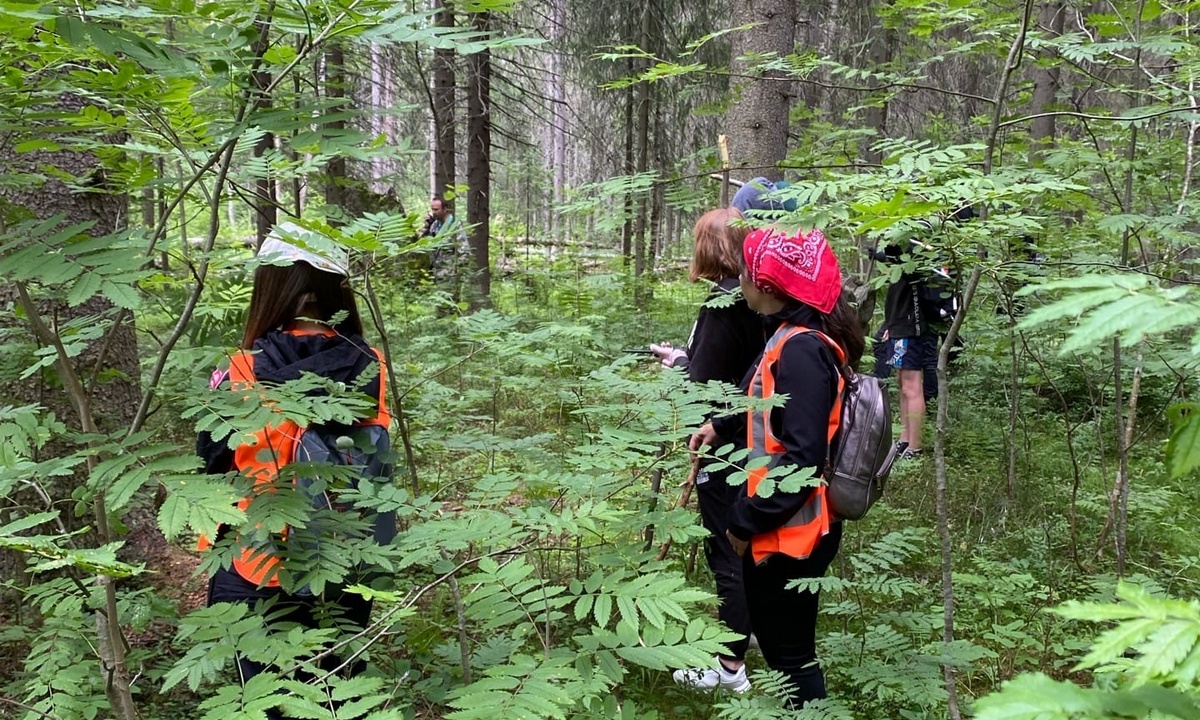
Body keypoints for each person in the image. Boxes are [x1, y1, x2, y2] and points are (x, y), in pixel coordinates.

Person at [196, 222, 392, 718]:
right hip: (344, 557)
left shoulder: (238, 368)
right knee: (332, 694)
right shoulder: (371, 364)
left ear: (271, 286)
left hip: (255, 561)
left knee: (262, 701)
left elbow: (210, 462)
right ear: (335, 290)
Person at [689, 226, 863, 709]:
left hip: (791, 536)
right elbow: (772, 404)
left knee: (790, 655)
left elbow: (802, 457)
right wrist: (721, 427)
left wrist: (743, 524)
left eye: (743, 272)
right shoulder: (789, 335)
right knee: (786, 648)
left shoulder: (802, 350)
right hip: (784, 530)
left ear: (765, 286)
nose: (738, 281)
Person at [650, 207, 766, 693]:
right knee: (750, 547)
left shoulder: (723, 306)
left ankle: (729, 670)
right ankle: (755, 629)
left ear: (707, 249)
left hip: (723, 445)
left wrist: (677, 368)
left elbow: (704, 388)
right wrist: (684, 357)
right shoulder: (757, 300)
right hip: (753, 441)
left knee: (727, 550)